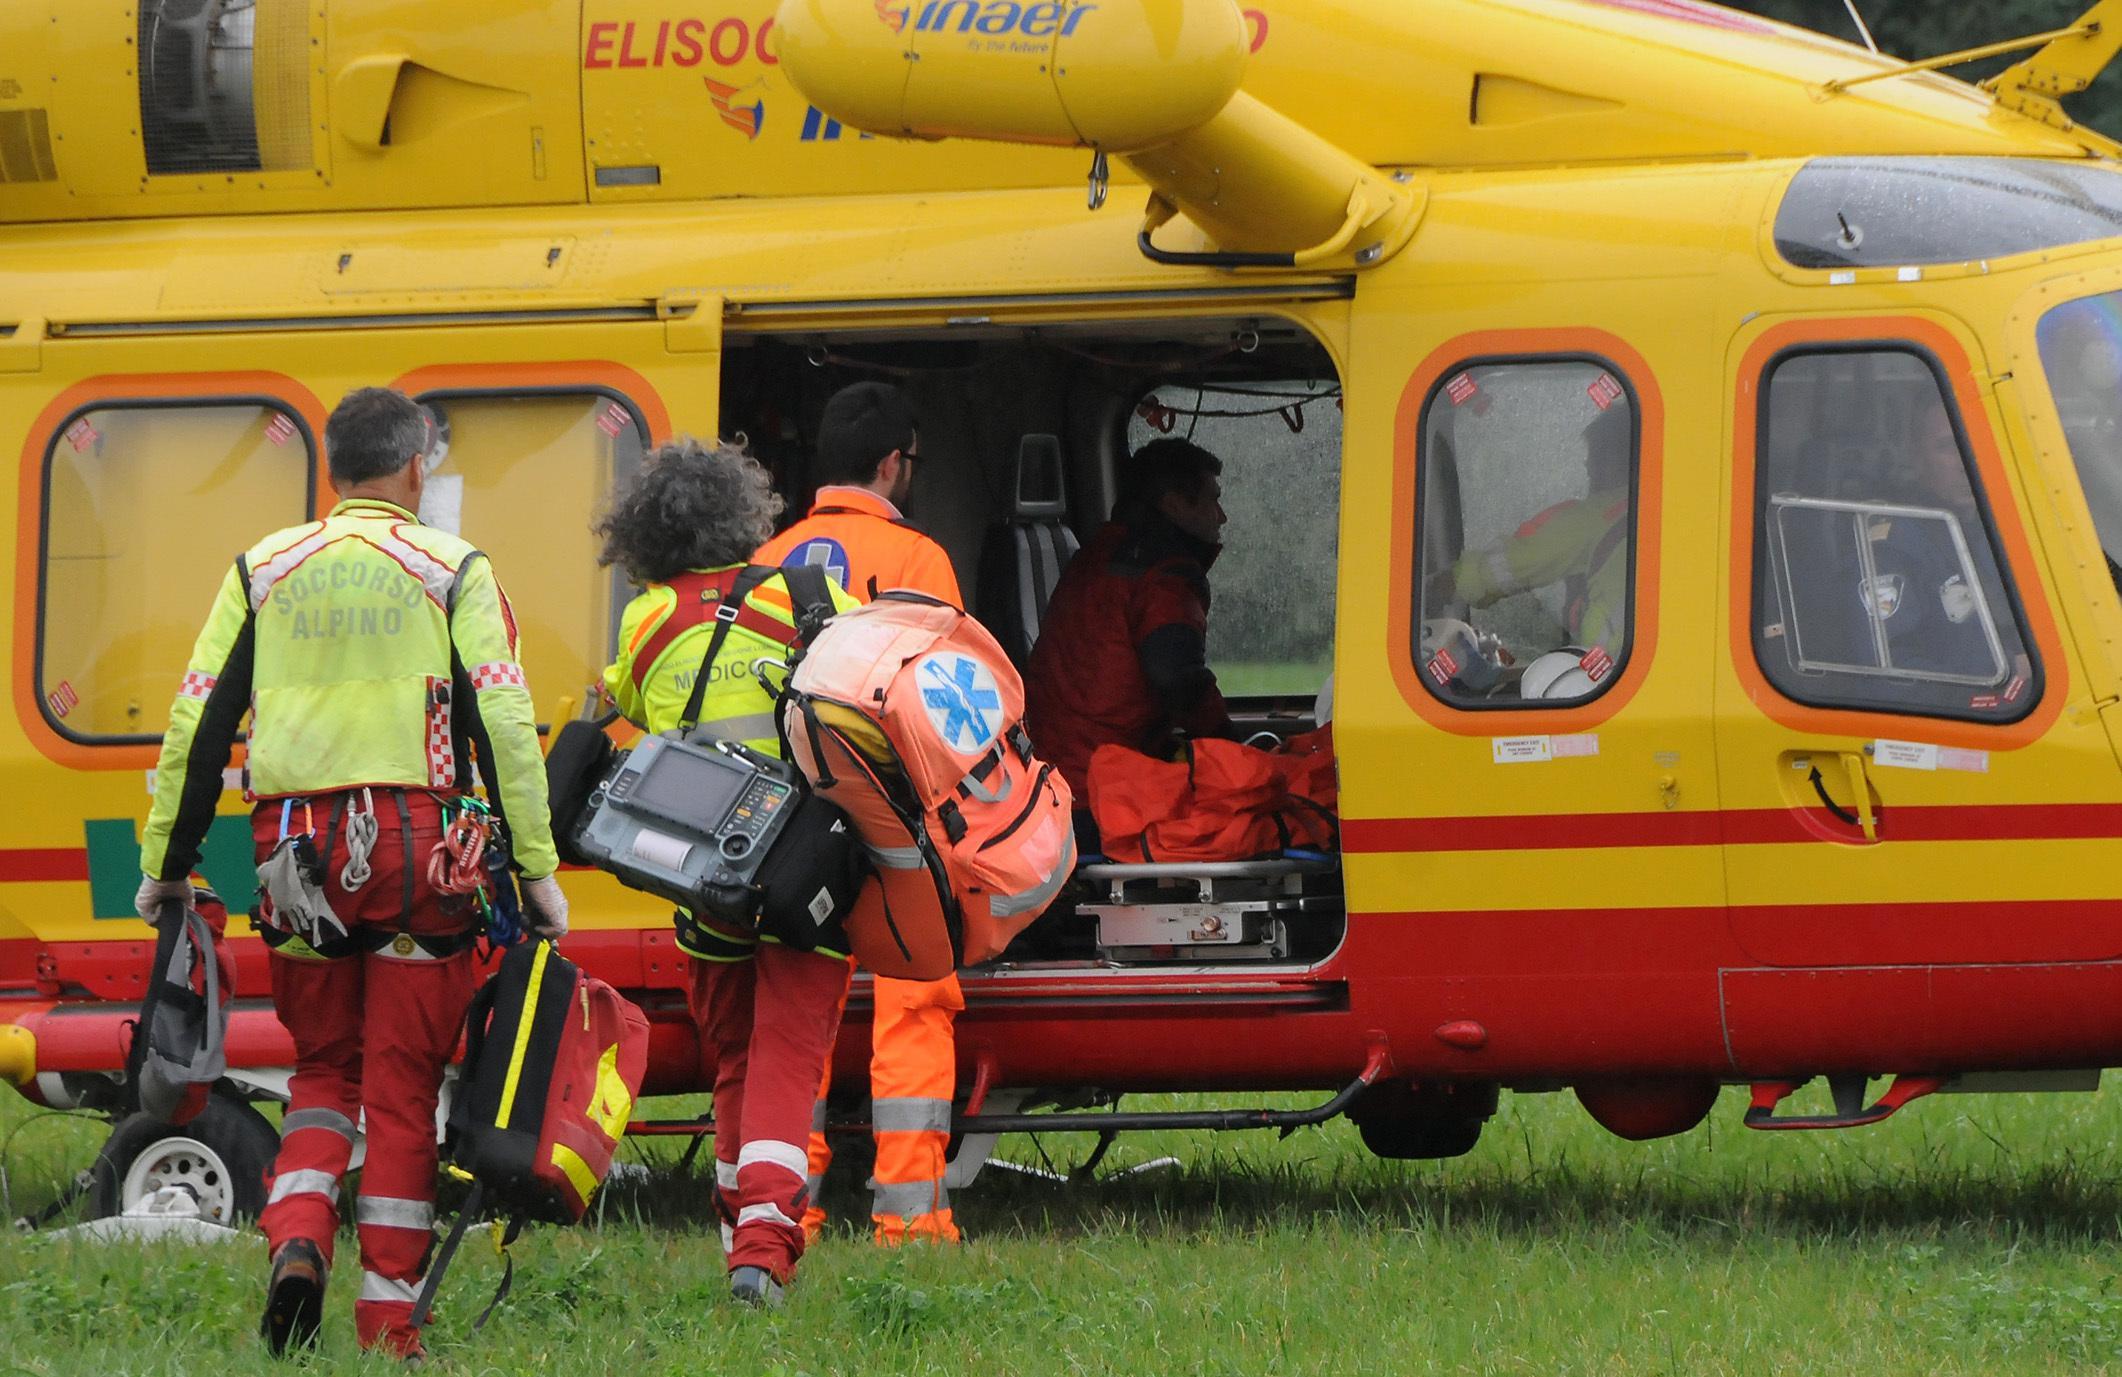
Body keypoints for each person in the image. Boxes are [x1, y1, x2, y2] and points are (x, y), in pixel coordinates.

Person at [135, 387, 567, 1361]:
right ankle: (387, 1324)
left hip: (292, 857)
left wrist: (166, 868)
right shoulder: (453, 566)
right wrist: (536, 872)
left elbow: (196, 729)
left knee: (323, 1071)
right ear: (416, 469)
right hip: (418, 859)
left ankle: (296, 1243)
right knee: (404, 1086)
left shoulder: (262, 568)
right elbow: (501, 722)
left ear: (332, 470)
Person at [595, 437, 857, 1307]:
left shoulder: (646, 619)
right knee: (788, 1054)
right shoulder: (815, 595)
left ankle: (732, 1239)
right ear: (747, 514)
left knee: (735, 1060)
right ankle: (762, 1246)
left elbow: (629, 704)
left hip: (703, 878)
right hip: (804, 871)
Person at [754, 381, 966, 1250]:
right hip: (895, 818)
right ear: (891, 463)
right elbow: (951, 702)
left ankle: (786, 1204)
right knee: (913, 995)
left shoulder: (767, 559)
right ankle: (909, 1220)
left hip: (792, 823)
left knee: (795, 1008)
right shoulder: (920, 561)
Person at [1025, 436, 1236, 807]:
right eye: (1212, 499)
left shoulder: (1098, 554)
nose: (1221, 516)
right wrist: (1234, 751)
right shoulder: (1163, 574)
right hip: (1100, 788)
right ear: (1174, 504)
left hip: (1056, 773)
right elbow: (1179, 678)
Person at [1427, 403, 1631, 673]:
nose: (1589, 468)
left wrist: (1438, 585)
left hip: (1609, 675)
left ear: (1621, 456)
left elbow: (1513, 562)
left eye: (1596, 457)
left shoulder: (1597, 518)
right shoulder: (1654, 511)